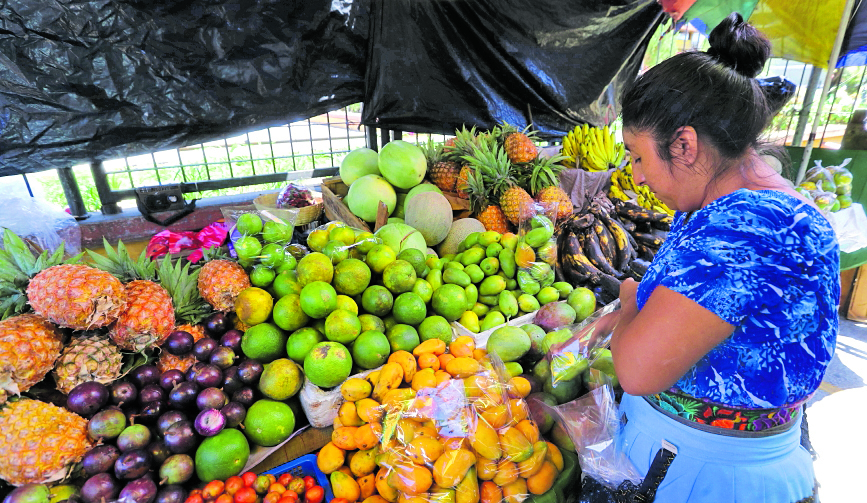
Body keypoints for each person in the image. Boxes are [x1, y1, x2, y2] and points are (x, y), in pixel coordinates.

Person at [606, 12, 840, 503]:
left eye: (637, 155)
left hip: (709, 474)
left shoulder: (747, 228)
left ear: (684, 144)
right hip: (712, 458)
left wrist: (630, 302)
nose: (637, 175)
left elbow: (636, 371)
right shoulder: (735, 204)